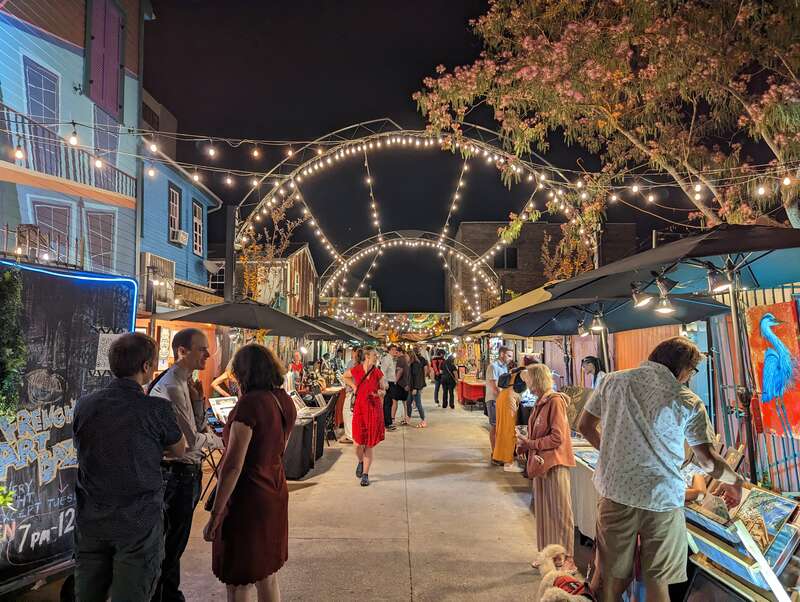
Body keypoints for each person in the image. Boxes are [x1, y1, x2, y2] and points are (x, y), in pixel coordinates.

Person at [577, 337, 745, 602]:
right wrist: (735, 480)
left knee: (607, 578)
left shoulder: (612, 381)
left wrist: (610, 455)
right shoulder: (686, 400)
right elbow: (708, 461)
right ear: (684, 368)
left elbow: (584, 426)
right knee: (658, 581)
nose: (689, 378)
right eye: (691, 371)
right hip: (663, 499)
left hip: (617, 492)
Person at [73, 333, 186, 602]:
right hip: (138, 520)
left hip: (91, 517)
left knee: (88, 593)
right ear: (146, 366)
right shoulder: (156, 408)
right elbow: (180, 449)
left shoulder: (85, 404)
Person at [204, 344, 296, 602]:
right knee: (266, 574)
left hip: (247, 497)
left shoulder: (249, 405)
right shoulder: (284, 400)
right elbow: (276, 448)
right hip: (274, 490)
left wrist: (216, 513)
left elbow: (234, 465)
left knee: (239, 578)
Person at [150, 328, 224, 602]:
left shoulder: (187, 384)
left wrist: (198, 400)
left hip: (187, 473)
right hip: (177, 474)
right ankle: (165, 596)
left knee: (175, 543)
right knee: (171, 544)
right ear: (182, 351)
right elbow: (192, 439)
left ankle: (169, 593)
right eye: (201, 348)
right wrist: (218, 442)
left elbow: (198, 425)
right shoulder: (171, 385)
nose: (207, 353)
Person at [517, 364, 576, 572]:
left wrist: (530, 444)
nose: (528, 386)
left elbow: (557, 437)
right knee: (543, 513)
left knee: (560, 512)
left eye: (530, 381)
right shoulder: (541, 402)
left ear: (538, 379)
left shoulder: (555, 402)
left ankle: (567, 556)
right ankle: (547, 555)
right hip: (541, 465)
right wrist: (526, 444)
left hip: (555, 463)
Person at [343, 346, 388, 486]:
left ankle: (365, 475)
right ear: (367, 356)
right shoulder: (356, 370)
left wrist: (381, 393)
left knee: (369, 444)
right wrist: (355, 387)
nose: (377, 357)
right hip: (360, 410)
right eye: (375, 355)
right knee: (357, 444)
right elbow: (345, 376)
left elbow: (384, 388)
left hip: (373, 410)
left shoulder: (377, 372)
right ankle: (360, 461)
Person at [492, 368, 524, 472]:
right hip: (509, 399)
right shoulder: (524, 373)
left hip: (504, 397)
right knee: (509, 430)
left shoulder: (514, 372)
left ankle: (501, 456)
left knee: (502, 429)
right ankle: (508, 461)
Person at [487, 346, 511, 464]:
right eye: (509, 355)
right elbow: (494, 386)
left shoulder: (505, 367)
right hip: (493, 400)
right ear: (502, 354)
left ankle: (500, 453)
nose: (510, 358)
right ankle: (495, 454)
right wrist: (503, 398)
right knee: (495, 426)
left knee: (501, 427)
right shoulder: (493, 366)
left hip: (502, 400)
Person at [340, 347, 364, 444]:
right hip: (360, 393)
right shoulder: (366, 366)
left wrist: (353, 386)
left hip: (352, 393)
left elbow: (345, 376)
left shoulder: (354, 365)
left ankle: (350, 436)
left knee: (348, 413)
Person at [407, 349, 428, 428]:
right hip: (411, 387)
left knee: (418, 404)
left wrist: (415, 388)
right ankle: (408, 417)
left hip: (415, 387)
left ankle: (423, 420)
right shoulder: (412, 363)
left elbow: (417, 377)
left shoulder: (415, 364)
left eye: (406, 356)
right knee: (409, 402)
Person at [379, 345, 398, 431]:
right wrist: (385, 383)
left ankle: (388, 422)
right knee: (387, 403)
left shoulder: (391, 359)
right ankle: (387, 423)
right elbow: (383, 371)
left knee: (389, 403)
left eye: (395, 350)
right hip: (388, 384)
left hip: (391, 383)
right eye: (393, 350)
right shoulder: (387, 359)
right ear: (389, 351)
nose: (395, 351)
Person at [394, 348, 411, 425]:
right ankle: (406, 418)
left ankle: (393, 419)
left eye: (397, 352)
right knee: (405, 403)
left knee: (395, 400)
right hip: (406, 383)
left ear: (401, 352)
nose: (395, 354)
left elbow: (400, 371)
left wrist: (395, 380)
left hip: (401, 384)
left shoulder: (400, 359)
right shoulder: (405, 359)